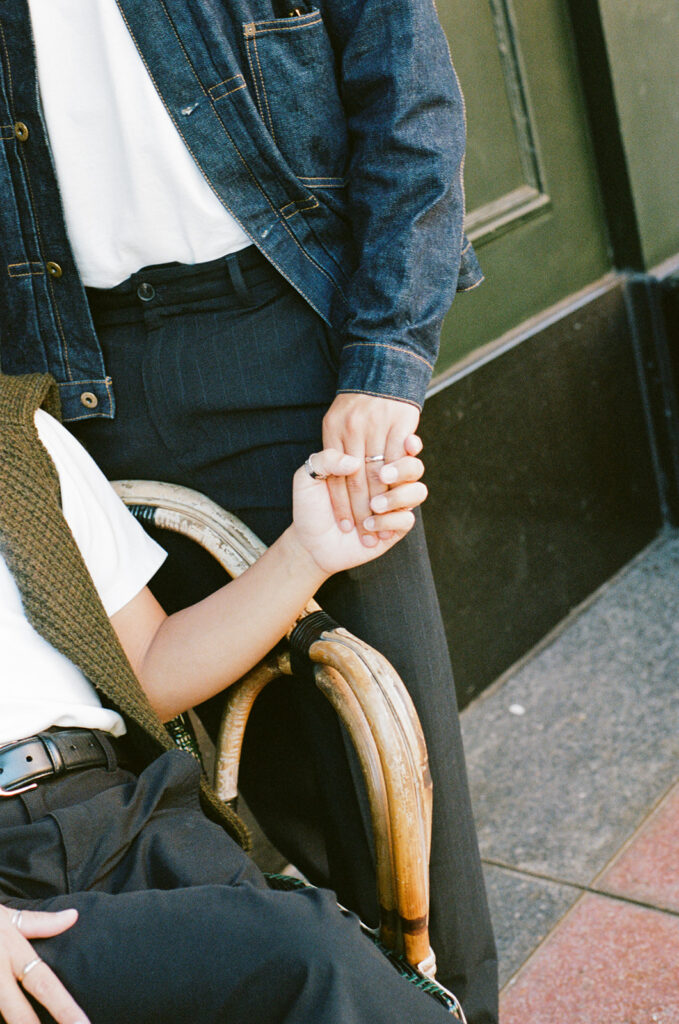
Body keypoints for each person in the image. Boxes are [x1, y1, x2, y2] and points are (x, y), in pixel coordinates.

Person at [0, 3, 497, 1020]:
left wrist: (384, 359)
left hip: (278, 323)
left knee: (392, 787)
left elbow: (407, 95)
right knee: (230, 788)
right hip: (74, 365)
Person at [0, 369, 456, 1024]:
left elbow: (149, 668)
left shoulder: (17, 433)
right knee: (307, 959)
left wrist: (308, 552)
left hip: (116, 814)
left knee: (316, 957)